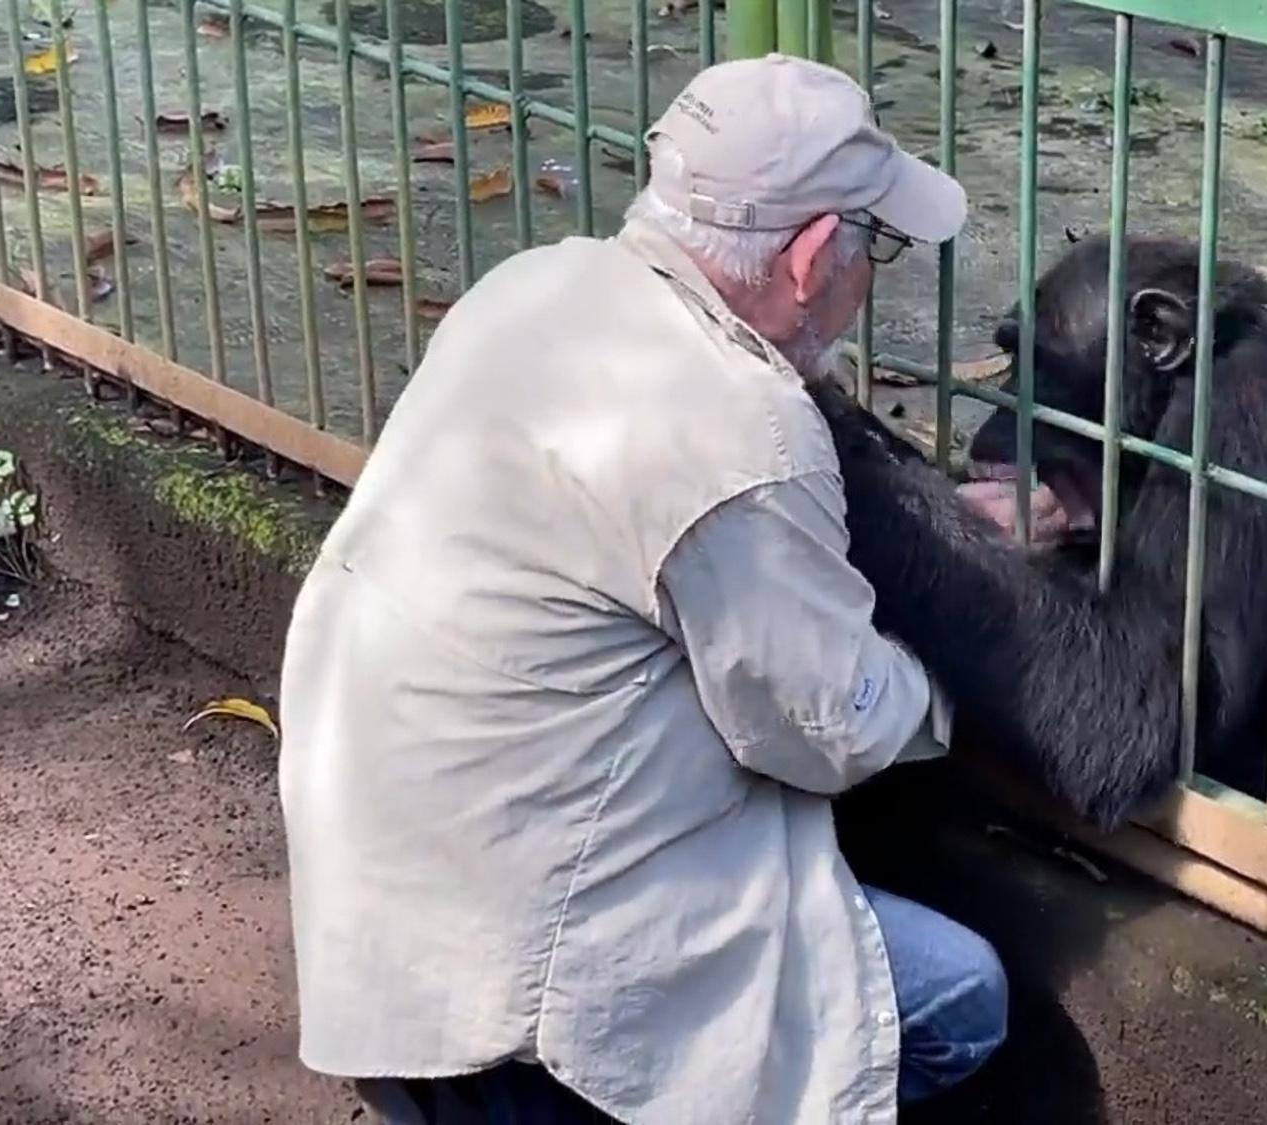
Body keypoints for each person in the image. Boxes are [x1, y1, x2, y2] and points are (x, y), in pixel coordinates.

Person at [275, 53, 1007, 1125]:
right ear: (810, 257)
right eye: (876, 247)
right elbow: (827, 730)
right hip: (521, 1012)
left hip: (377, 940)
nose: (868, 277)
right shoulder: (737, 423)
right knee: (959, 997)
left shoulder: (533, 286)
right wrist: (971, 640)